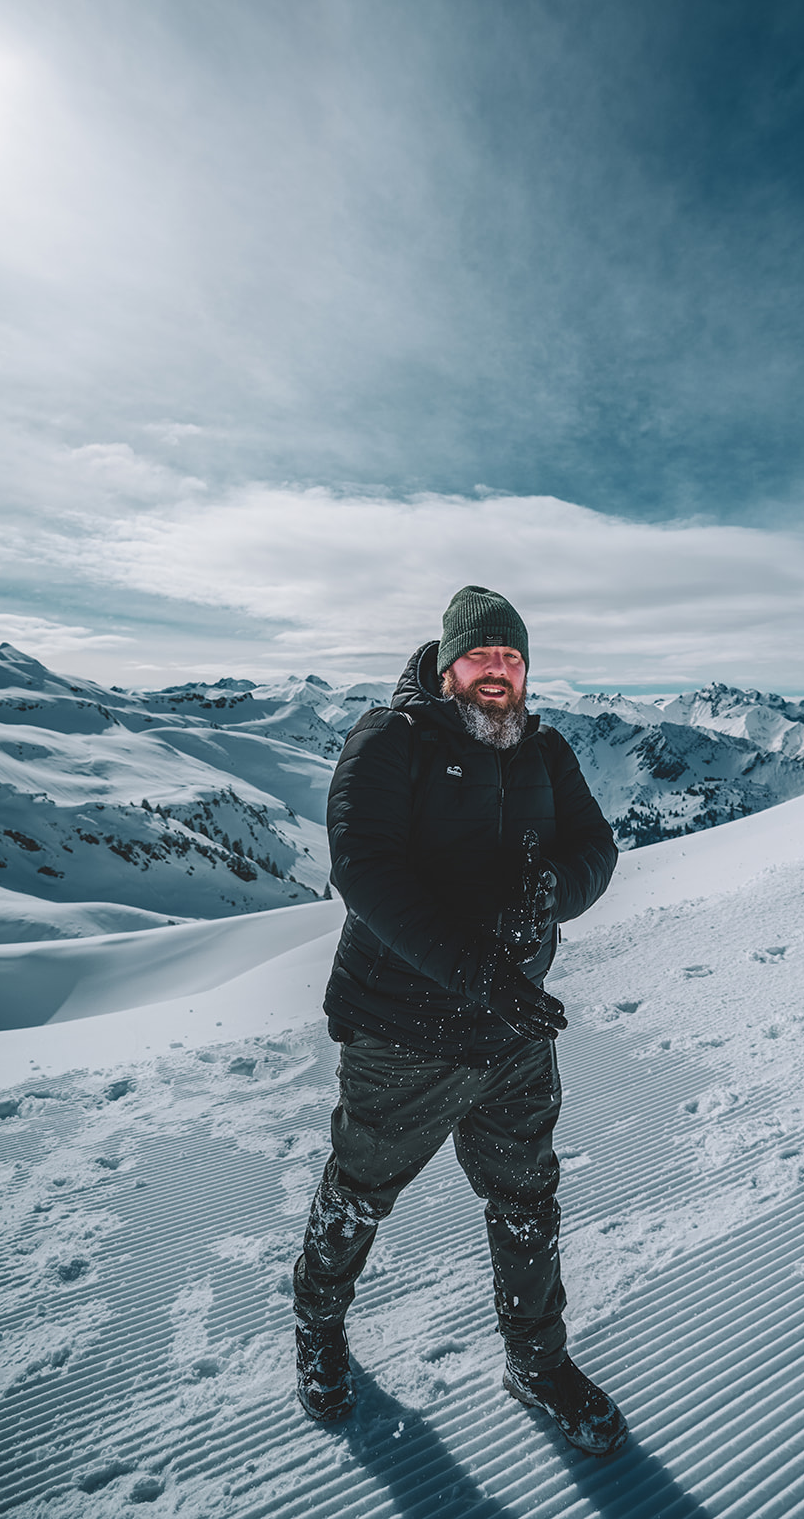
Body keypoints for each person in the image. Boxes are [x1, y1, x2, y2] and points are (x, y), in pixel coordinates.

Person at [293, 585, 626, 1456]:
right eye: (482, 656)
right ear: (447, 667)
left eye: (512, 658)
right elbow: (363, 869)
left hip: (513, 1029)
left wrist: (556, 889)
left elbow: (596, 849)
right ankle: (318, 1330)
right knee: (361, 1194)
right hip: (403, 1031)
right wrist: (476, 967)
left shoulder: (544, 749)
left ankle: (536, 1361)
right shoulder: (392, 740)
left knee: (526, 1200)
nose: (498, 672)